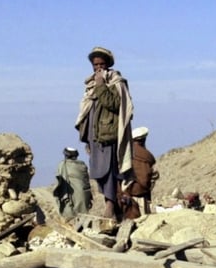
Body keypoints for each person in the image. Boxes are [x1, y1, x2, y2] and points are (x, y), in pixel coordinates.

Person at [74, 46, 135, 220]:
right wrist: (86, 138)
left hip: (109, 135)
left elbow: (114, 105)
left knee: (110, 171)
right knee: (98, 171)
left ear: (107, 64)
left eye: (101, 64)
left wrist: (101, 86)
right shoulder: (92, 84)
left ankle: (110, 205)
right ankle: (111, 205)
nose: (98, 67)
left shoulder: (116, 82)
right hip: (96, 136)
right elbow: (87, 111)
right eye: (95, 64)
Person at [53, 147, 92, 219]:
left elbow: (60, 182)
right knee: (83, 217)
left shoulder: (63, 165)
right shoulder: (83, 165)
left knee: (71, 217)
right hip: (84, 197)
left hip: (71, 197)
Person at [127, 126, 158, 215]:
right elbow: (144, 179)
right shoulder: (144, 156)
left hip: (129, 192)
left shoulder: (129, 153)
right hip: (138, 192)